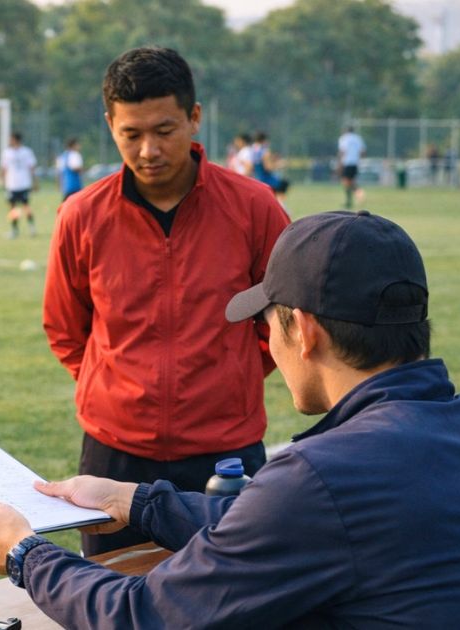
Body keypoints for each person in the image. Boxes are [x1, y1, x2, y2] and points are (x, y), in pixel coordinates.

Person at [0, 210, 460, 629]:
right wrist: (136, 502)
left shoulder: (324, 475)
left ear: (305, 329)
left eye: (267, 322)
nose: (267, 341)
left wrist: (23, 553)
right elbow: (283, 527)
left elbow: (146, 616)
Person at [41, 46, 289, 556]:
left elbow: (283, 321)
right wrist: (117, 389)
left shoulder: (254, 207)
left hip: (226, 451)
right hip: (114, 454)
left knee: (237, 592)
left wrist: (230, 376)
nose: (148, 150)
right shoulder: (81, 215)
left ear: (194, 118)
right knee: (110, 590)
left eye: (164, 130)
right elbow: (65, 328)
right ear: (110, 125)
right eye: (131, 134)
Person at [0, 131, 38, 238]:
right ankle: (17, 229)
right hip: (13, 183)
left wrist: (35, 182)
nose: (9, 141)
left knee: (23, 206)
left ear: (16, 140)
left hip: (21, 183)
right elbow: (4, 169)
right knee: (15, 207)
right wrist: (3, 181)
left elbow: (32, 168)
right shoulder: (10, 152)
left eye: (11, 139)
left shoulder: (23, 152)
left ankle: (29, 228)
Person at [251, 131, 290, 201]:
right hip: (266, 180)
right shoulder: (264, 151)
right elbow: (268, 167)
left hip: (257, 179)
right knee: (285, 183)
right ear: (264, 140)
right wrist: (280, 165)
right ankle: (279, 204)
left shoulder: (252, 150)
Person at [337, 125, 365, 208]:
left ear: (346, 131)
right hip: (355, 163)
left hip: (347, 162)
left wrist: (340, 163)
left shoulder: (344, 138)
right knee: (351, 181)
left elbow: (343, 151)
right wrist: (358, 160)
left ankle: (352, 198)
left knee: (346, 181)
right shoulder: (358, 138)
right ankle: (357, 194)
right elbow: (362, 152)